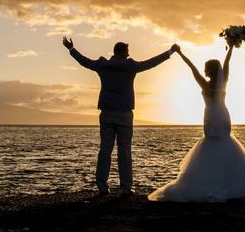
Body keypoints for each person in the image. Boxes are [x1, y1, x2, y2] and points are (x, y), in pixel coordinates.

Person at [147, 40, 245, 202]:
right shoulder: (223, 82)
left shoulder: (205, 84)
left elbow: (192, 68)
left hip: (211, 115)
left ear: (209, 71)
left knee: (212, 144)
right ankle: (225, 181)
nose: (204, 70)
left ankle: (212, 180)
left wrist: (180, 54)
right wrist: (230, 49)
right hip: (222, 114)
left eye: (206, 68)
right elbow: (226, 63)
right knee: (224, 143)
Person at [62, 36, 178, 196]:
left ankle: (102, 185)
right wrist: (170, 51)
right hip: (124, 113)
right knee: (124, 151)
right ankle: (125, 187)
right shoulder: (130, 66)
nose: (129, 55)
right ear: (123, 52)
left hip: (107, 113)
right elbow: (150, 63)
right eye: (127, 52)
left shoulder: (103, 65)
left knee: (105, 150)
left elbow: (84, 61)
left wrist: (71, 49)